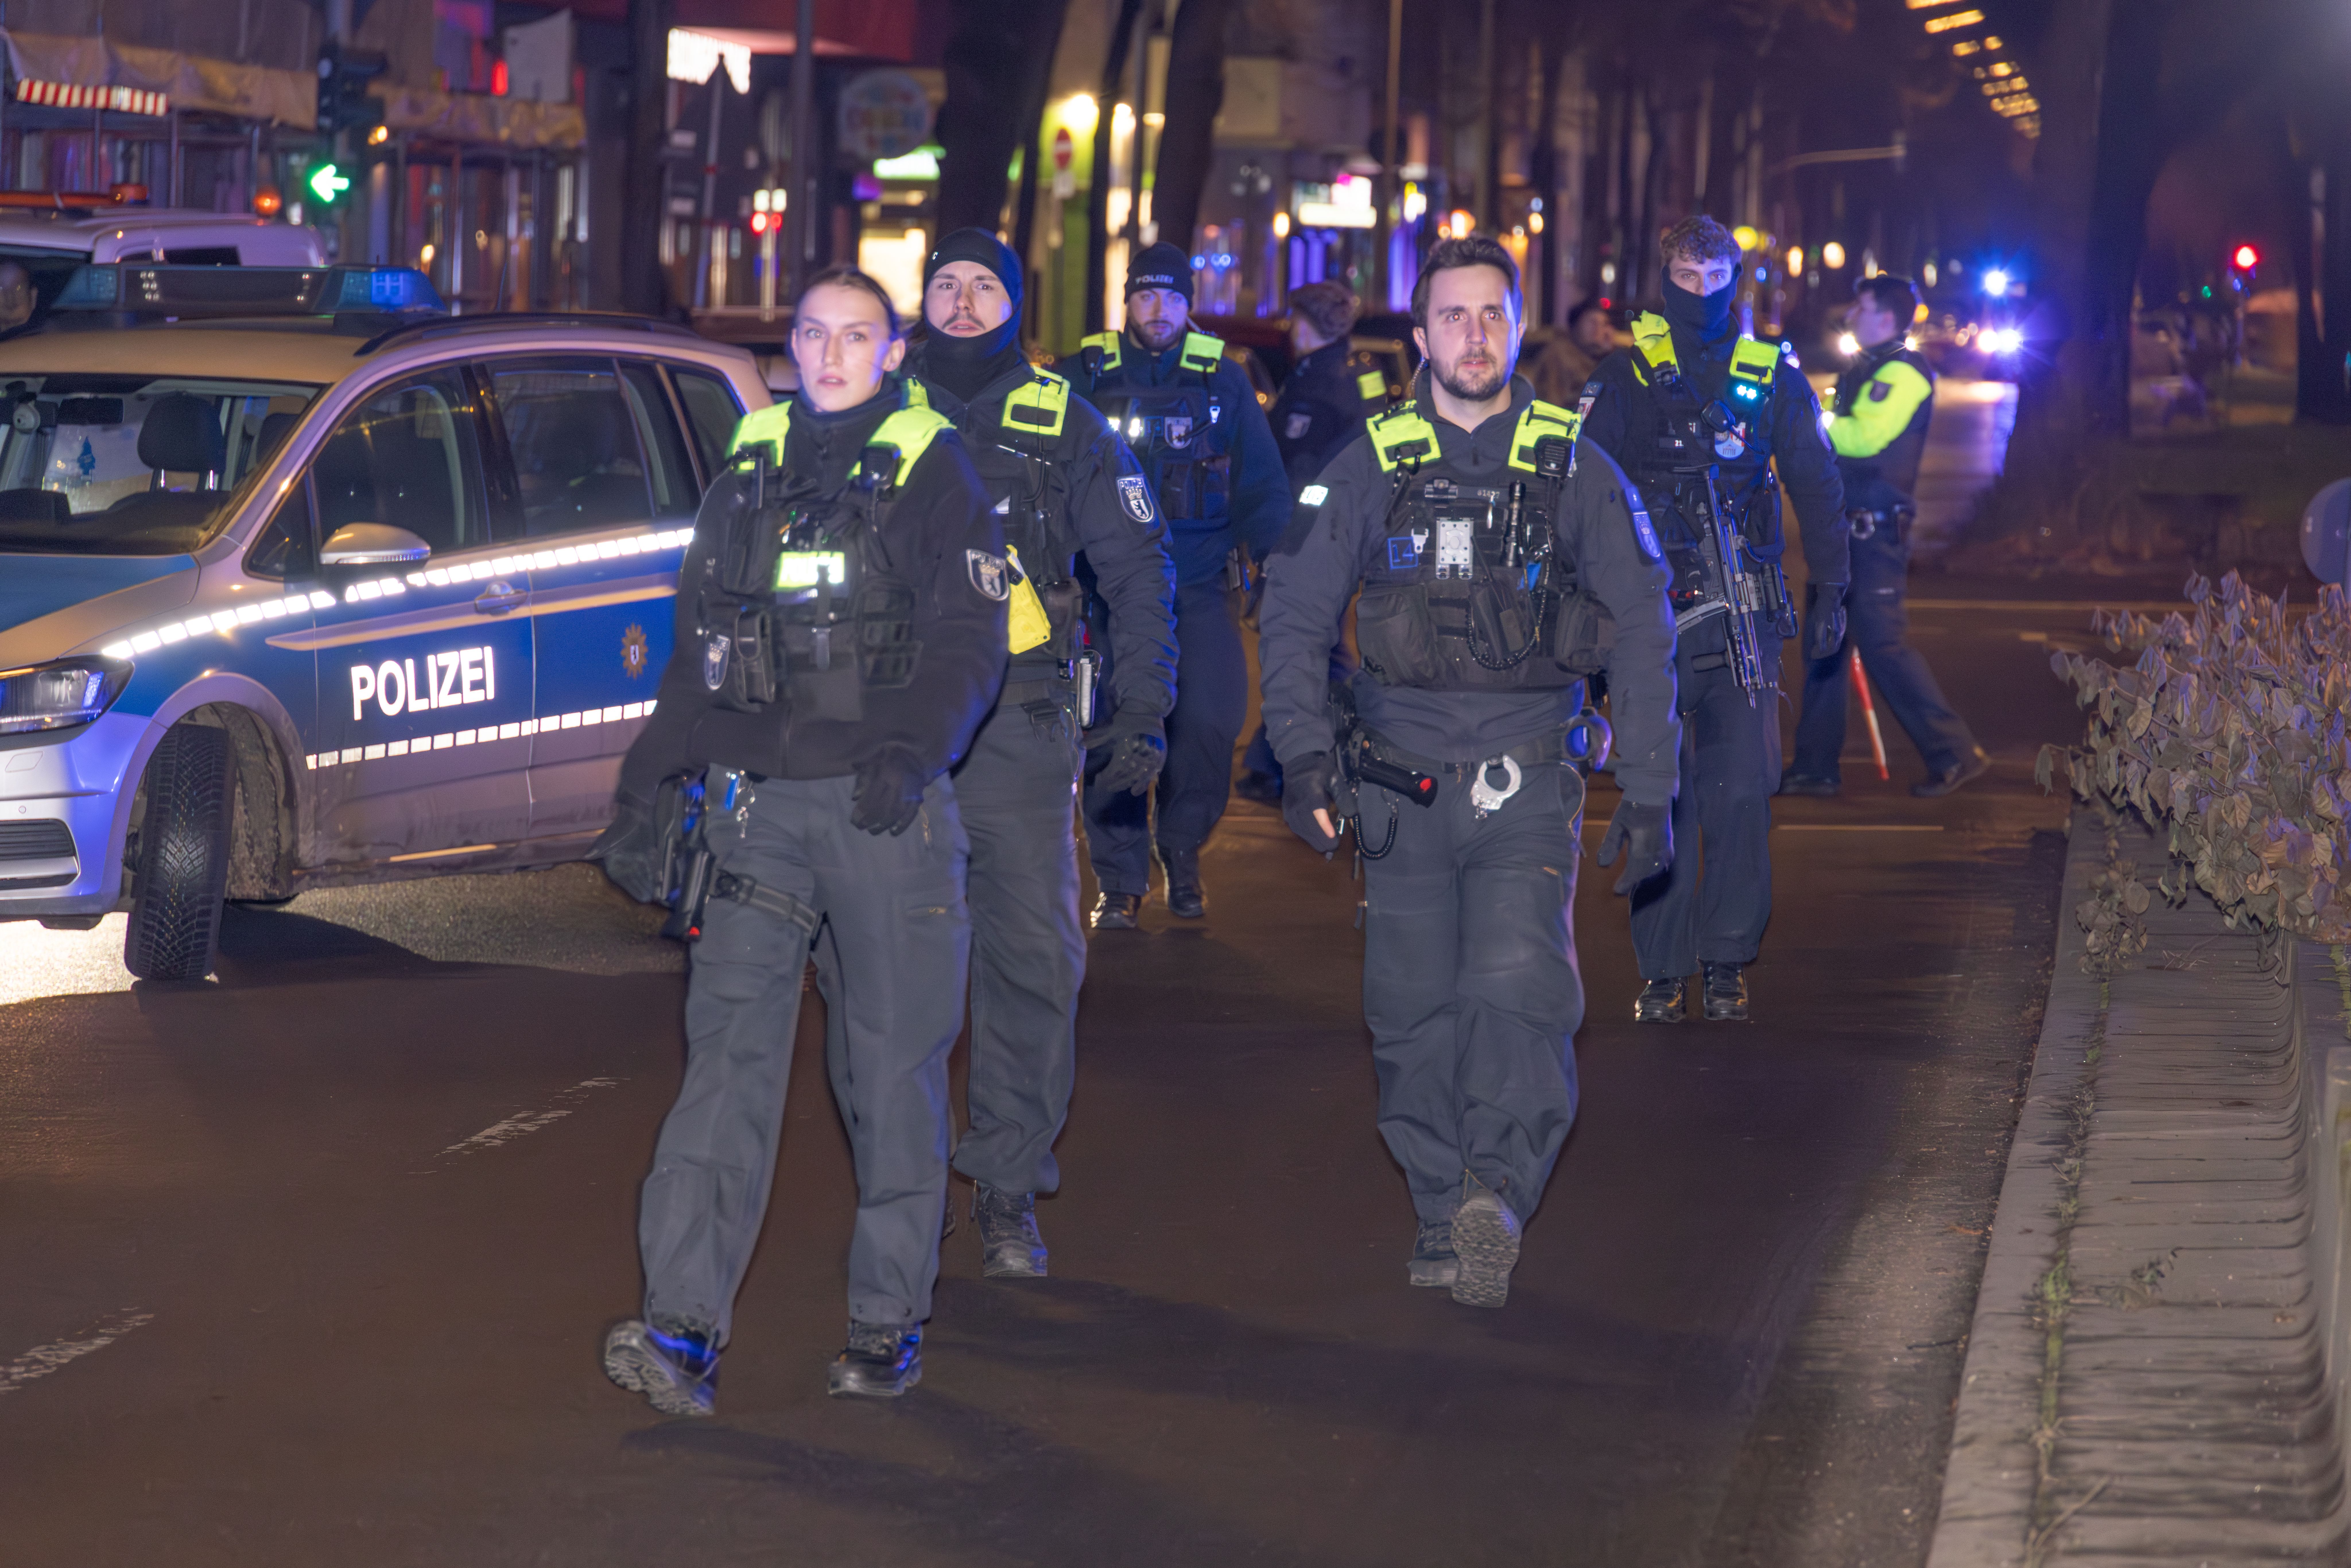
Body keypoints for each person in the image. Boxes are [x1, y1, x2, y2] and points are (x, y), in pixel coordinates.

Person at [592, 266, 1007, 1408]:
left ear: (892, 352)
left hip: (887, 813)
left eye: (855, 337)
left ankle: (887, 1318)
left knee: (887, 1070)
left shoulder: (936, 472)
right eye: (812, 334)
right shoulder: (751, 468)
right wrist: (644, 785)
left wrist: (912, 746)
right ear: (790, 346)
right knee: (724, 1066)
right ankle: (680, 1327)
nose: (830, 356)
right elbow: (697, 648)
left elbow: (973, 638)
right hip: (756, 812)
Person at [1257, 235, 1679, 1309]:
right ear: (1419, 334)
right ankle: (1436, 1196)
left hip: (1526, 779)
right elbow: (1297, 611)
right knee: (1408, 1010)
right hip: (1396, 787)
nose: (1473, 335)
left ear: (1517, 327)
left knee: (1515, 991)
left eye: (1492, 315)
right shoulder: (1371, 459)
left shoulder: (1572, 461)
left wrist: (1648, 783)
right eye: (1452, 316)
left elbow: (1640, 624)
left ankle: (1495, 1189)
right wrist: (1301, 752)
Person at [899, 228, 1178, 1277]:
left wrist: (1142, 710)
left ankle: (1008, 1185)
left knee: (1033, 962)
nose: (962, 303)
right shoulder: (867, 411)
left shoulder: (1066, 423)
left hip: (1018, 726)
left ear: (1016, 304)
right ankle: (906, 1181)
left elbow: (1139, 568)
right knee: (883, 969)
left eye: (983, 287)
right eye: (944, 285)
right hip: (887, 728)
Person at [1580, 215, 1849, 1026]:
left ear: (1737, 282)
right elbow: (1579, 497)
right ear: (1664, 280)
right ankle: (1661, 969)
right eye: (1687, 280)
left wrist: (1833, 585)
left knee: (1738, 793)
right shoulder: (1623, 377)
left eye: (1716, 280)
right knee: (1659, 796)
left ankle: (1727, 957)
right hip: (1649, 620)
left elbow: (1816, 480)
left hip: (1743, 617)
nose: (1702, 295)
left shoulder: (1768, 374)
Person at [1061, 242, 1289, 926]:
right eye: (1146, 296)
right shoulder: (1085, 373)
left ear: (1191, 305)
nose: (1158, 310)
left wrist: (1272, 559)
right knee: (1112, 727)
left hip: (1195, 583)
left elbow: (1262, 484)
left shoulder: (1223, 379)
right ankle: (1121, 879)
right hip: (1106, 591)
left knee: (1210, 723)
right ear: (1127, 301)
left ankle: (1182, 848)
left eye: (1173, 297)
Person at [1783, 274, 1989, 798]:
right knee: (1824, 647)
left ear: (1887, 318)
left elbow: (1863, 437)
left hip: (1872, 535)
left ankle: (1953, 752)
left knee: (1882, 645)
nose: (1852, 314)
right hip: (1844, 529)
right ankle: (1814, 765)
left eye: (1862, 306)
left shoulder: (1903, 373)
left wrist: (1809, 417)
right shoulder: (1866, 368)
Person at [1236, 280, 1382, 805]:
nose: (1290, 330)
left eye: (1296, 320)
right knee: (1318, 647)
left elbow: (1292, 467)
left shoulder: (1317, 386)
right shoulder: (1358, 375)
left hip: (1310, 538)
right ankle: (1270, 758)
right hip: (1337, 534)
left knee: (1306, 648)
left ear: (1310, 324)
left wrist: (1287, 537)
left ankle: (1282, 759)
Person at [1524, 299, 1619, 407]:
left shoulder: (1600, 359)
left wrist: (1609, 353)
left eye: (1604, 325)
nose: (1598, 329)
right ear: (1577, 323)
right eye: (1593, 322)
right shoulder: (1561, 352)